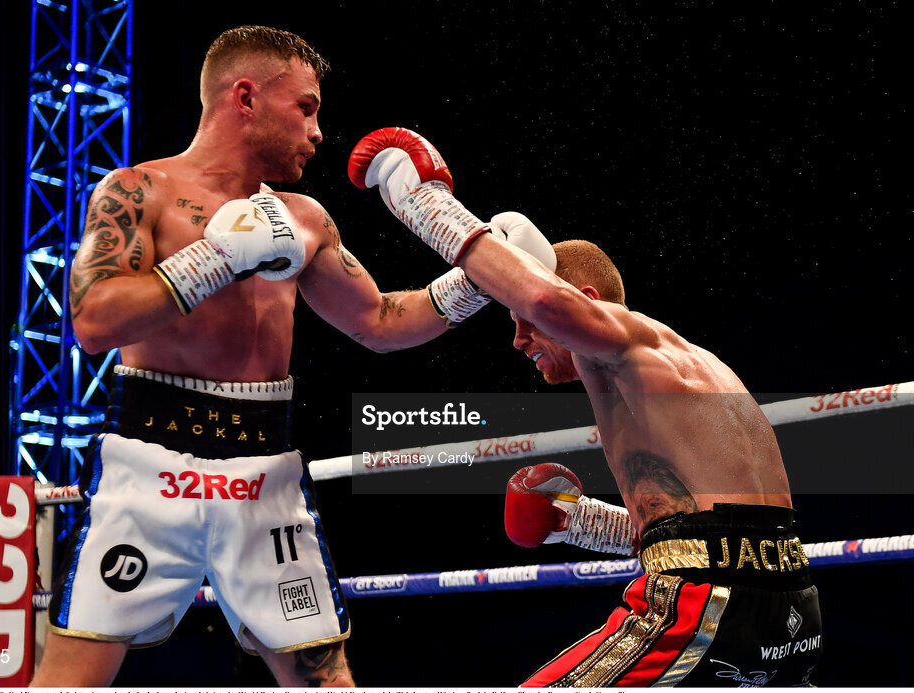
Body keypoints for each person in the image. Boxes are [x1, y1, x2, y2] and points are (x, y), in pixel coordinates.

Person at [31, 28, 552, 688]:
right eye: (306, 107)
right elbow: (94, 321)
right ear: (244, 97)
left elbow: (380, 322)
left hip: (262, 475)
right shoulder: (138, 191)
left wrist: (480, 281)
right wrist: (213, 260)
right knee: (67, 679)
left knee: (326, 680)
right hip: (148, 468)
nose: (318, 130)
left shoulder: (304, 218)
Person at [348, 127, 823, 687]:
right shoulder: (683, 372)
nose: (520, 339)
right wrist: (578, 521)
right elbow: (717, 527)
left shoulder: (627, 340)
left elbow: (544, 296)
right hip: (790, 613)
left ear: (589, 306)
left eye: (527, 323)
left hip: (705, 605)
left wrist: (422, 203)